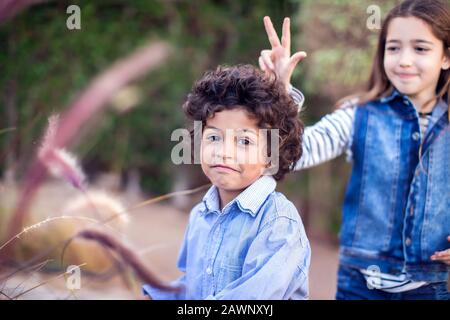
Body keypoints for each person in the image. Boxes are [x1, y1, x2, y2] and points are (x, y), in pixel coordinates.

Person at [259, 0, 450, 299]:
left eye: (421, 48)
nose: (404, 60)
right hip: (360, 284)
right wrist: (281, 93)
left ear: (446, 57)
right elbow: (291, 155)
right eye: (394, 47)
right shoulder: (359, 115)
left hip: (431, 288)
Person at [143, 64, 311, 299]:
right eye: (213, 137)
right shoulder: (200, 215)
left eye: (244, 142)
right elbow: (194, 286)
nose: (224, 152)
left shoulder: (279, 222)